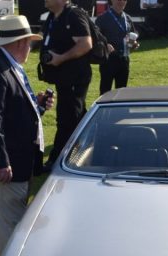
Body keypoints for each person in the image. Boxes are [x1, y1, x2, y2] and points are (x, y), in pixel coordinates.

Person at [0, 15, 54, 255]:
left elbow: (11, 112)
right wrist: (1, 161)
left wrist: (36, 106)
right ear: (19, 43)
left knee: (17, 229)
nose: (30, 48)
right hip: (5, 169)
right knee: (11, 232)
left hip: (18, 164)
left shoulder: (5, 65)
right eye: (29, 43)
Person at [39, 0, 94, 168]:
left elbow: (86, 44)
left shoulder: (73, 15)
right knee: (76, 115)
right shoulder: (53, 16)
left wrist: (61, 58)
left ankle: (58, 160)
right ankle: (86, 152)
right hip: (63, 78)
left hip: (75, 77)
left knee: (68, 118)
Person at [95, 0, 140, 94]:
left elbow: (132, 34)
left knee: (122, 92)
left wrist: (134, 44)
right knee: (105, 92)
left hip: (124, 59)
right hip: (108, 60)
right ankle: (104, 109)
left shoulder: (127, 18)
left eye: (123, 0)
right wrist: (105, 45)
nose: (121, 2)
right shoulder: (102, 18)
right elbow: (95, 39)